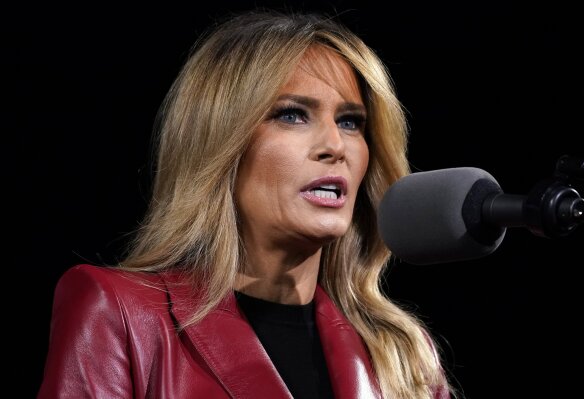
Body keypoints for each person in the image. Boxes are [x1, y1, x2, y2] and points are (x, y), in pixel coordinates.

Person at [38, 9, 453, 399]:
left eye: (350, 122)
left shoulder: (402, 355)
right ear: (222, 143)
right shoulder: (119, 313)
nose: (335, 146)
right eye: (292, 115)